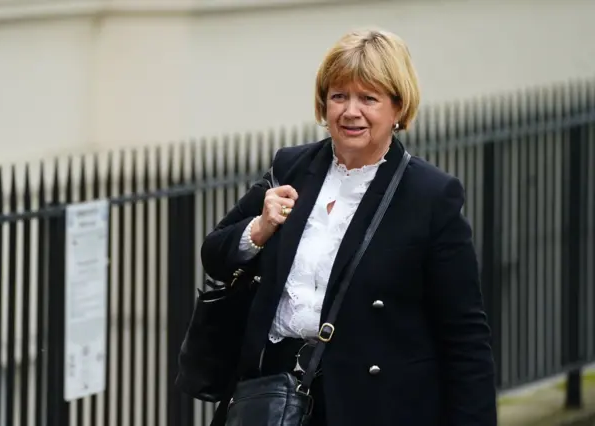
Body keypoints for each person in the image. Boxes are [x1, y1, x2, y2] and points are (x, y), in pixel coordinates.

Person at [201, 28, 497, 426]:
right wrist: (258, 228)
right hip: (273, 397)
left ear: (397, 107)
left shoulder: (430, 195)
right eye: (339, 95)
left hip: (372, 405)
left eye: (368, 98)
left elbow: (465, 337)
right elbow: (215, 256)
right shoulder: (291, 167)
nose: (350, 111)